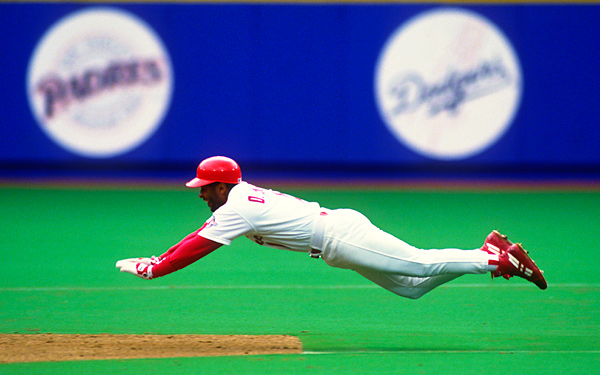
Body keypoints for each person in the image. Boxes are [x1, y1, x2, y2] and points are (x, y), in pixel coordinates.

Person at [116, 156, 547, 299]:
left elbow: (194, 245)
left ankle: (496, 258)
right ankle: (488, 252)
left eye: (205, 187)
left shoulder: (235, 206)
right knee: (411, 288)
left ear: (223, 185)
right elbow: (198, 235)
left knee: (419, 264)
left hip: (340, 235)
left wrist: (154, 266)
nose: (200, 193)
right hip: (335, 240)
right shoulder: (240, 197)